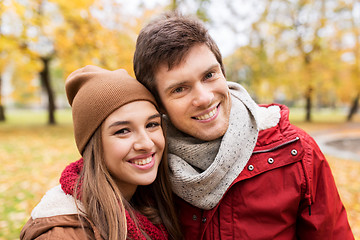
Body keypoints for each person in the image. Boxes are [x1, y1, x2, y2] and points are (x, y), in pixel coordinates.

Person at [133, 11, 355, 239]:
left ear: (223, 73)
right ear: (158, 104)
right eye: (179, 89)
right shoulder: (147, 167)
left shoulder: (297, 152)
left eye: (209, 75)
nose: (205, 98)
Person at [20, 65, 182, 240]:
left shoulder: (154, 203)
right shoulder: (62, 234)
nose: (146, 143)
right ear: (93, 144)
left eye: (152, 124)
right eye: (123, 131)